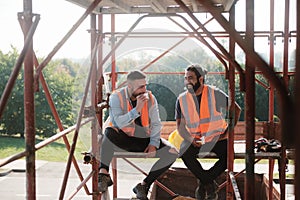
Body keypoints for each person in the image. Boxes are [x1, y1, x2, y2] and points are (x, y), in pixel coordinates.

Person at [98, 70, 178, 200]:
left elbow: (157, 124)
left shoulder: (151, 98)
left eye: (145, 85)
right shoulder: (116, 97)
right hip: (123, 140)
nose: (144, 89)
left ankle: (144, 185)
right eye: (140, 86)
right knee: (109, 132)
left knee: (173, 152)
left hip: (143, 141)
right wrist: (137, 110)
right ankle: (104, 174)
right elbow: (118, 121)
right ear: (129, 86)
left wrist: (153, 144)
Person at [175, 65, 241, 200]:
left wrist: (228, 132)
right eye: (186, 78)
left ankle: (204, 182)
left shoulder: (214, 93)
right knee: (184, 152)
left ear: (201, 79)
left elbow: (237, 109)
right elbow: (180, 127)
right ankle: (209, 184)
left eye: (191, 78)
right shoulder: (182, 99)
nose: (187, 81)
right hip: (196, 139)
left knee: (229, 156)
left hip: (217, 138)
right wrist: (191, 139)